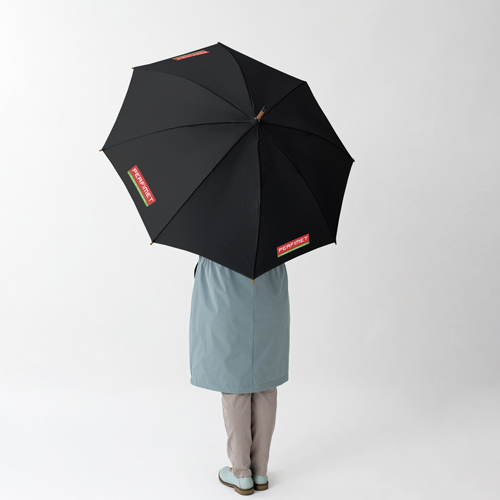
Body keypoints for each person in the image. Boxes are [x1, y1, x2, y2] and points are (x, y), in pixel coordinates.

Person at [189, 254, 290, 495]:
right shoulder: (273, 232)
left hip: (225, 285)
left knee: (235, 385)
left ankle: (241, 473)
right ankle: (260, 472)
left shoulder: (215, 234)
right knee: (265, 385)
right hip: (268, 281)